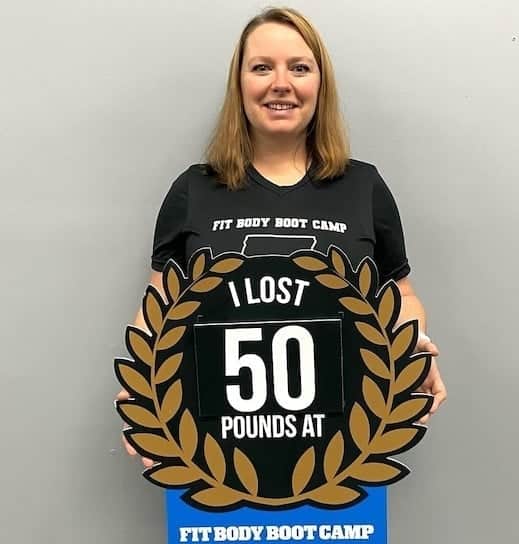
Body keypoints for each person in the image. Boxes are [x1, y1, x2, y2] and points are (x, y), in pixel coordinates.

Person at [116, 7, 447, 467]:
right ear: (239, 84)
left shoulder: (363, 187)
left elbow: (400, 293)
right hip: (212, 449)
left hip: (346, 447)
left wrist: (414, 343)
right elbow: (160, 306)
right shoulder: (194, 190)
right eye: (261, 67)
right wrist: (141, 386)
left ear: (320, 84)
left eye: (299, 67)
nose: (281, 83)